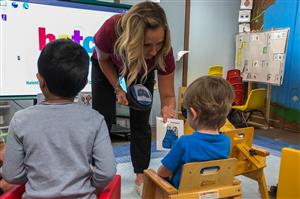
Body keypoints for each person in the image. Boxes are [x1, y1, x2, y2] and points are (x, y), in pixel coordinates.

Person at [2, 39, 116, 199]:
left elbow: (11, 174)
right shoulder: (95, 120)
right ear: (84, 84)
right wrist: (90, 183)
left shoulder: (20, 120)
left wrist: (36, 178)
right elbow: (107, 172)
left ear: (40, 80)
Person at [91, 1, 176, 191]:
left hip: (141, 68)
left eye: (159, 43)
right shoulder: (110, 29)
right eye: (147, 45)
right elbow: (103, 60)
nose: (154, 51)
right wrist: (118, 89)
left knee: (141, 119)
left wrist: (168, 108)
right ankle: (97, 170)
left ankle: (141, 175)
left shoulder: (161, 52)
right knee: (103, 118)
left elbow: (168, 95)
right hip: (105, 66)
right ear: (133, 38)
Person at [157, 75, 235, 188]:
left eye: (186, 111)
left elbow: (163, 172)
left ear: (193, 114)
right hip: (211, 189)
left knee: (153, 177)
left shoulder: (184, 142)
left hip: (183, 193)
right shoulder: (226, 141)